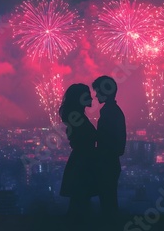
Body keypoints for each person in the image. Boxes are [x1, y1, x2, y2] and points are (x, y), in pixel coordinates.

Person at [59, 83, 98, 225]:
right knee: (81, 199)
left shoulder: (75, 118)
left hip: (80, 162)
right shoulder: (79, 119)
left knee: (78, 200)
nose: (92, 98)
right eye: (87, 95)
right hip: (83, 163)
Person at [92, 75, 126, 225]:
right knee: (110, 199)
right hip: (111, 162)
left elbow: (109, 141)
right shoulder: (114, 111)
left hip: (107, 163)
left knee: (107, 200)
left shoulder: (109, 112)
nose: (96, 95)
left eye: (98, 92)